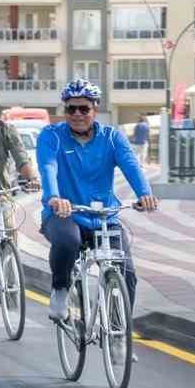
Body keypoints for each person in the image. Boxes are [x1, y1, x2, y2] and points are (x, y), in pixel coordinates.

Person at [37, 79, 158, 320]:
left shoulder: (112, 137)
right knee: (67, 242)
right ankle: (60, 290)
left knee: (127, 272)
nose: (78, 114)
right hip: (64, 213)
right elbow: (47, 166)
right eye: (71, 109)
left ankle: (118, 332)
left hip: (104, 218)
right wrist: (54, 198)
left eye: (84, 108)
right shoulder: (52, 136)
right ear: (65, 111)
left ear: (95, 108)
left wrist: (144, 193)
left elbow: (132, 166)